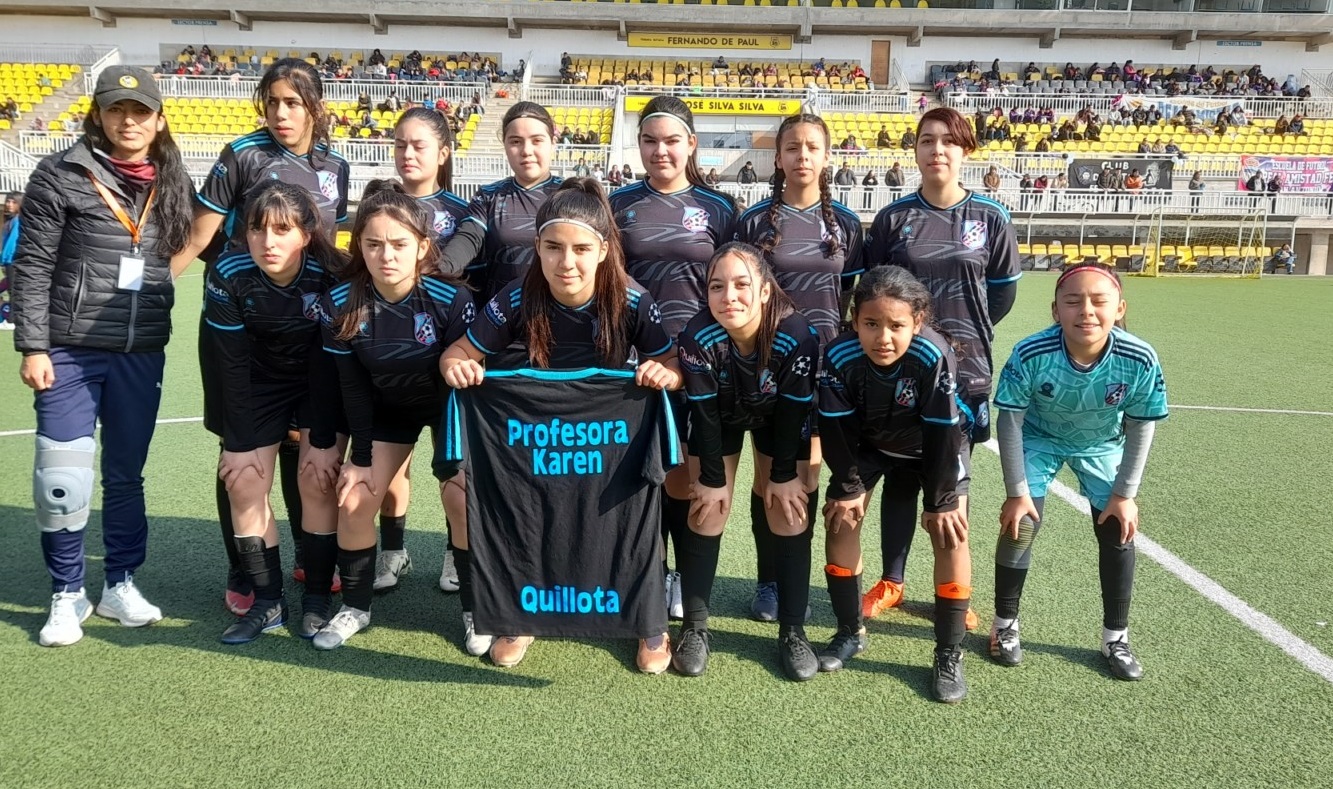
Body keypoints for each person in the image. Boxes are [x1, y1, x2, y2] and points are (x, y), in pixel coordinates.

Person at [439, 179, 682, 671]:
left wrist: (665, 373)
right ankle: (523, 615)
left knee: (636, 513)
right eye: (553, 248)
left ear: (603, 250)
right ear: (537, 248)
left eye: (579, 249)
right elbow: (457, 353)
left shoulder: (631, 299)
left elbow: (672, 361)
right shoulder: (517, 296)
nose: (565, 262)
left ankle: (648, 620)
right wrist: (457, 367)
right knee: (532, 513)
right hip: (539, 434)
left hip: (611, 435)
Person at [12, 66, 195, 647]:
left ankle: (119, 583)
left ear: (158, 120)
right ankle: (67, 593)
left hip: (140, 350)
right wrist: (34, 344)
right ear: (99, 115)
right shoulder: (60, 173)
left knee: (125, 476)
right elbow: (32, 264)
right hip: (68, 349)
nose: (129, 121)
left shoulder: (172, 177)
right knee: (61, 478)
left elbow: (188, 239)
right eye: (117, 110)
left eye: (140, 111)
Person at [172, 58, 351, 617]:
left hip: (303, 333)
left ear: (315, 107)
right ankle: (244, 566)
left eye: (293, 102)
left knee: (305, 441)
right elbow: (201, 233)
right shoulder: (241, 154)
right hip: (239, 326)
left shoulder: (336, 166)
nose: (280, 113)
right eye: (272, 101)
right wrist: (155, 288)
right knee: (241, 448)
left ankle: (305, 555)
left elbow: (327, 246)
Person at [863, 106, 1020, 627]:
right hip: (899, 370)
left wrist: (957, 339)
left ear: (965, 151)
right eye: (927, 140)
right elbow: (875, 292)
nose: (937, 150)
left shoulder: (991, 218)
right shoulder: (893, 219)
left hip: (966, 372)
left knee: (954, 480)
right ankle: (892, 581)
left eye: (948, 142)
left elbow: (1000, 295)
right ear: (915, 151)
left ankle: (953, 589)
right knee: (900, 476)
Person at [315, 183, 474, 650]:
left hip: (448, 409)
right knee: (354, 497)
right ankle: (356, 608)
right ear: (357, 244)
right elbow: (353, 387)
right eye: (373, 243)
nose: (387, 255)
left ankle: (475, 611)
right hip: (387, 410)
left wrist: (451, 465)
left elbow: (461, 390)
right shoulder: (339, 303)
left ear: (423, 246)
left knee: (463, 500)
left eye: (400, 244)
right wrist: (360, 457)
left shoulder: (451, 300)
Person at [991, 266, 1167, 682]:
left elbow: (1142, 424)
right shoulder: (1032, 353)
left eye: (1098, 301)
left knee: (1118, 529)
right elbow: (1010, 420)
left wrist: (1125, 494)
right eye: (1073, 301)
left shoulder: (1138, 357)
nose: (1086, 311)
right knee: (1021, 526)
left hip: (1101, 444)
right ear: (1056, 310)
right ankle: (1004, 626)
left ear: (1119, 308)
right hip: (1038, 437)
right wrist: (1017, 492)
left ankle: (1115, 636)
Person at [735, 113, 864, 650]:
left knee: (804, 483)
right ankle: (769, 580)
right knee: (768, 480)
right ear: (779, 157)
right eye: (793, 147)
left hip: (825, 375)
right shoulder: (755, 222)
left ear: (826, 156)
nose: (803, 156)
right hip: (769, 370)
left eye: (813, 147)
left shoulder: (849, 226)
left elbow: (853, 299)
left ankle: (795, 581)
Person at [609, 96, 737, 624]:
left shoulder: (719, 208)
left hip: (699, 364)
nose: (660, 150)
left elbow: (737, 283)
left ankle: (681, 573)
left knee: (685, 471)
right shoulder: (618, 204)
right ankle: (645, 569)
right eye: (649, 140)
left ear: (691, 145)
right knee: (636, 471)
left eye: (671, 140)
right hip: (634, 364)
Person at [200, 182, 346, 643]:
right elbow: (231, 363)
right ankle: (267, 602)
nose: (268, 242)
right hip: (257, 382)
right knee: (243, 479)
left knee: (316, 477)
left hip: (316, 381)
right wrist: (239, 443)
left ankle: (318, 598)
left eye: (282, 230)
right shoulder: (228, 271)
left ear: (305, 234)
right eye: (259, 229)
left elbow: (330, 361)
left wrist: (320, 436)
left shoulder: (330, 273)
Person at [818, 266, 971, 701]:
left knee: (951, 533)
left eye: (896, 326)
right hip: (871, 445)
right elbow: (836, 429)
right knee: (840, 521)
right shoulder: (839, 356)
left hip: (934, 447)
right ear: (855, 322)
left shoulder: (933, 355)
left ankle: (948, 652)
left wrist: (942, 500)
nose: (883, 337)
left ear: (917, 322)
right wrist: (847, 487)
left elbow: (943, 431)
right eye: (871, 324)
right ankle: (850, 632)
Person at [673, 243, 819, 678]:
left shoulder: (797, 335)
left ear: (765, 292)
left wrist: (783, 475)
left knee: (790, 509)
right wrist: (713, 480)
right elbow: (702, 412)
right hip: (720, 414)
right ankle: (695, 628)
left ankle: (793, 632)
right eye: (717, 287)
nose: (729, 296)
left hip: (780, 417)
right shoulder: (697, 336)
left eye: (741, 285)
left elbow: (794, 410)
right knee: (707, 510)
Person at [382, 106, 472, 593]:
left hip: (447, 361)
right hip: (387, 361)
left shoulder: (463, 213)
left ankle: (454, 554)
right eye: (401, 145)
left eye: (419, 145)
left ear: (444, 152)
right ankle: (392, 551)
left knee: (453, 465)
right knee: (390, 462)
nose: (408, 154)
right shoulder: (380, 203)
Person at [440, 102, 563, 301]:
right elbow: (469, 238)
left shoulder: (570, 194)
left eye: (537, 140)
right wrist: (437, 271)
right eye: (515, 141)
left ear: (552, 143)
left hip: (558, 315)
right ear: (504, 145)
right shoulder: (489, 195)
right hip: (500, 320)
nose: (526, 151)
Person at [0, 192, 20, 329]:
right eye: (8, 201)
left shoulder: (18, 220)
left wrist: (4, 259)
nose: (9, 204)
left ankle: (12, 321)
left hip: (13, 261)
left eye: (13, 202)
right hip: (9, 261)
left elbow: (12, 244)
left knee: (14, 291)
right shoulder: (10, 220)